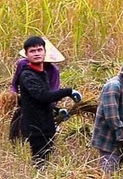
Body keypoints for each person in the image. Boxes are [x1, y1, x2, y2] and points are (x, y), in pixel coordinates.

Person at [10, 36, 78, 168]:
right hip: (34, 124)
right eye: (32, 51)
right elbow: (42, 96)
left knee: (47, 156)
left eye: (39, 50)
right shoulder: (27, 75)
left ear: (45, 52)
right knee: (39, 161)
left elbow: (49, 96)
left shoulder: (48, 72)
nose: (36, 53)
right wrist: (69, 92)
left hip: (46, 122)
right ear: (26, 54)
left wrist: (56, 110)